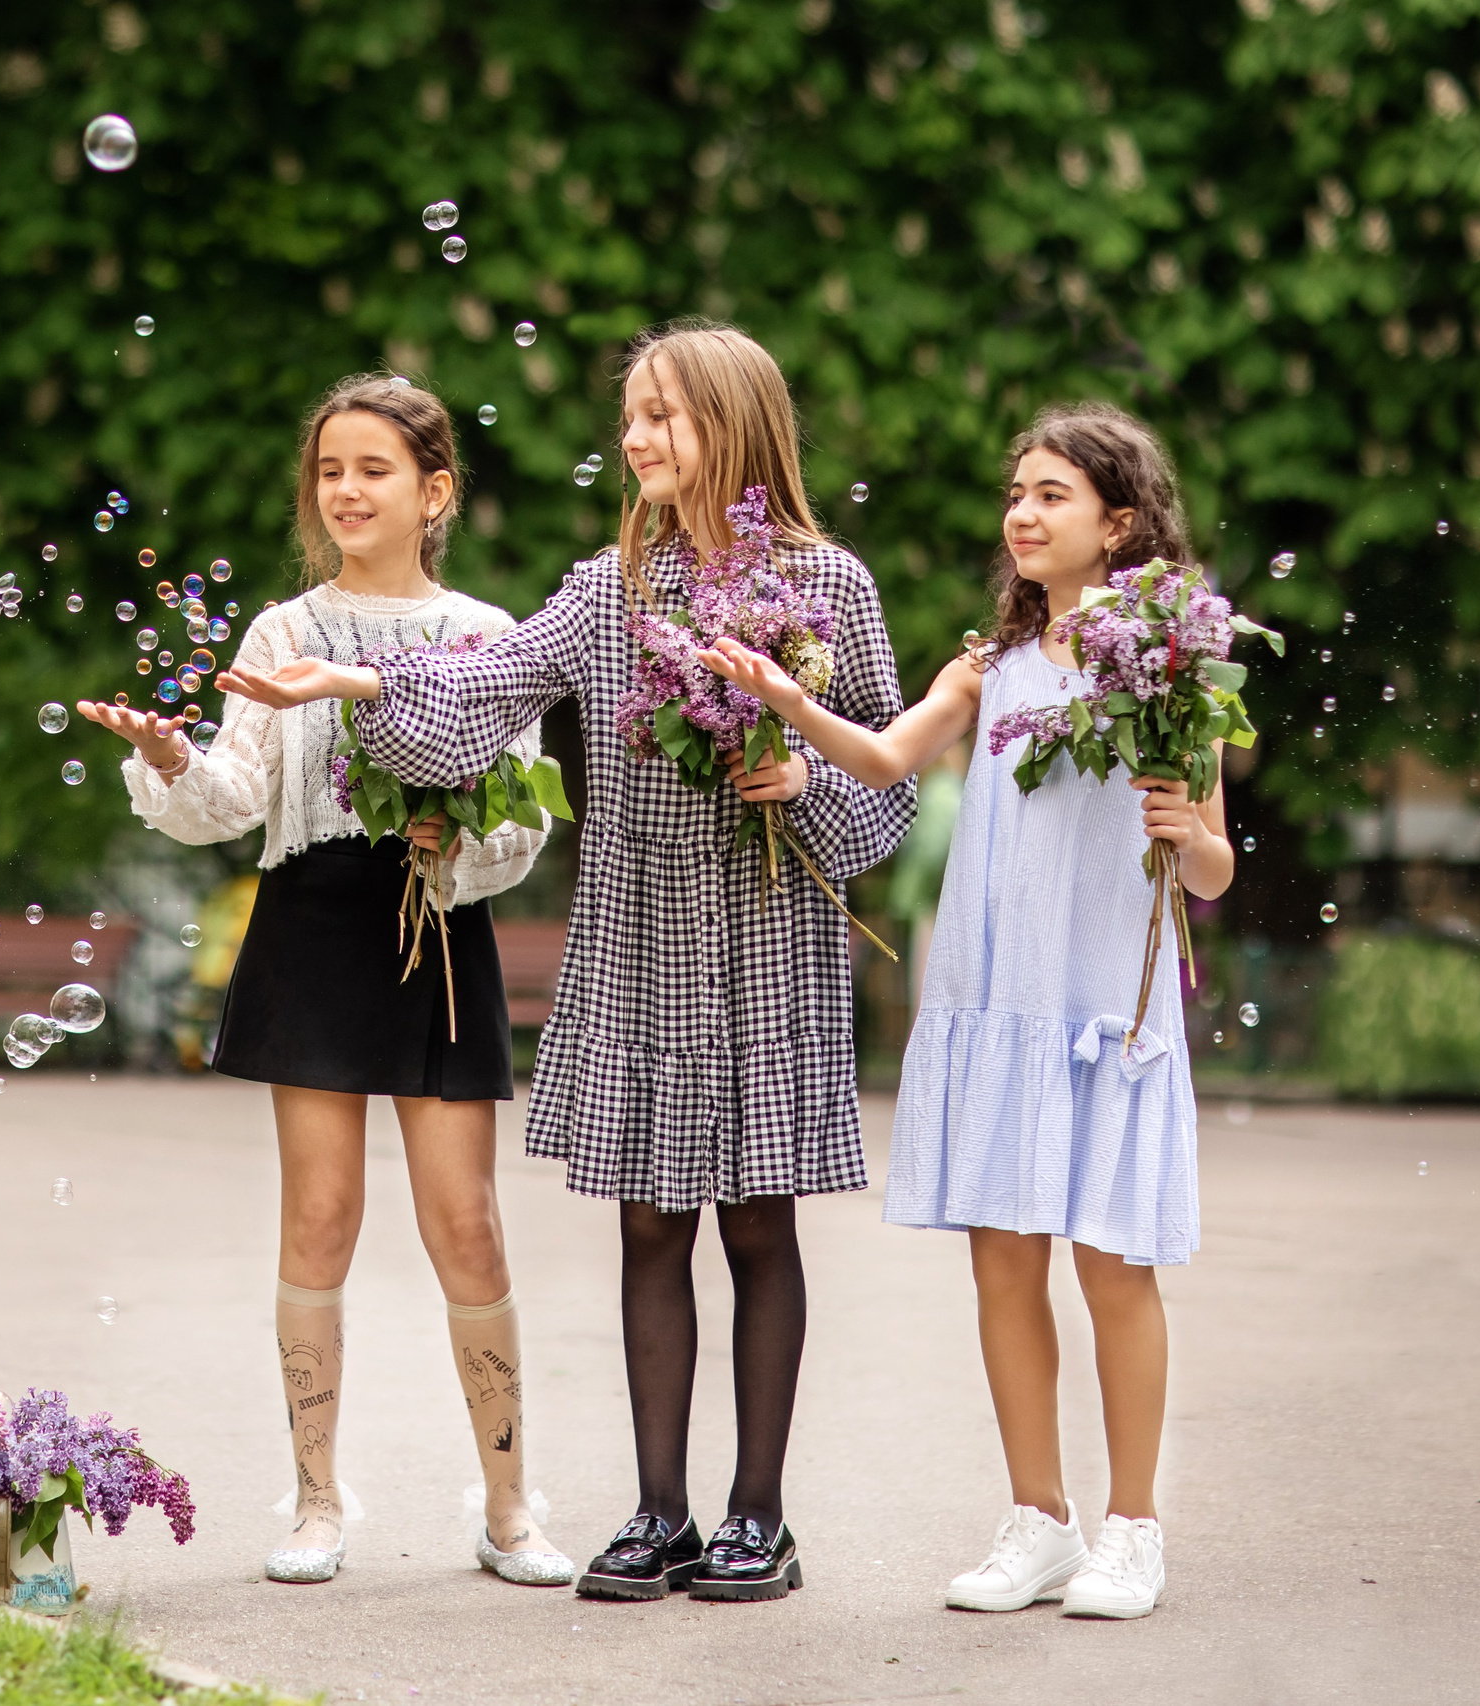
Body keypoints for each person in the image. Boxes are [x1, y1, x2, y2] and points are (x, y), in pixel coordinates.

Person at [223, 324, 915, 1604]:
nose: (638, 437)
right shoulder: (606, 589)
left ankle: (756, 1513)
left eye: (666, 416)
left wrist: (805, 773)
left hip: (769, 938)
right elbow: (485, 688)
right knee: (647, 1223)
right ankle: (658, 1511)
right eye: (633, 416)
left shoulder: (831, 586)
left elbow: (886, 796)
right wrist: (364, 683)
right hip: (639, 937)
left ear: (738, 425)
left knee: (758, 1224)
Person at [697, 401, 1222, 1620]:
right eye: (1018, 492)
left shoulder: (1166, 670)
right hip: (997, 996)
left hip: (1101, 1004)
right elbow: (883, 757)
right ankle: (1039, 1517)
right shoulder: (989, 668)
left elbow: (1213, 869)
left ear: (1120, 521)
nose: (1024, 513)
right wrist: (784, 701)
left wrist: (1185, 828)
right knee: (1002, 1264)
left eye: (1053, 494)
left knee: (1112, 1269)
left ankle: (1132, 1526)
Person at [78, 373, 573, 1588]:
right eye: (329, 471)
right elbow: (235, 800)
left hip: (436, 927)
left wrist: (459, 840)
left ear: (434, 490)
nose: (345, 490)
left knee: (467, 1223)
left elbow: (521, 826)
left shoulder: (486, 635)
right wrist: (169, 754)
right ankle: (314, 1499)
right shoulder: (281, 634)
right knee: (319, 1214)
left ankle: (507, 1502)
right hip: (313, 923)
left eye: (374, 470)